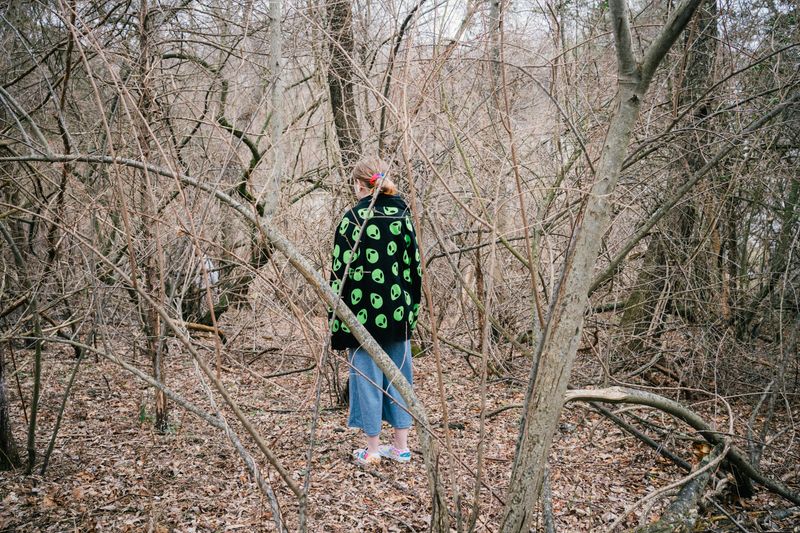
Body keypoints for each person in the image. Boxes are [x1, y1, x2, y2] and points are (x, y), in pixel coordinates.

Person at [329, 157, 422, 465]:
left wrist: (339, 322)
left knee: (366, 379)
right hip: (398, 314)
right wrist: (411, 311)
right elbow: (414, 268)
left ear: (359, 184)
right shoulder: (403, 215)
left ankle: (371, 450)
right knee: (399, 377)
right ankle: (401, 447)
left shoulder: (352, 219)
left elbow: (339, 274)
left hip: (361, 317)